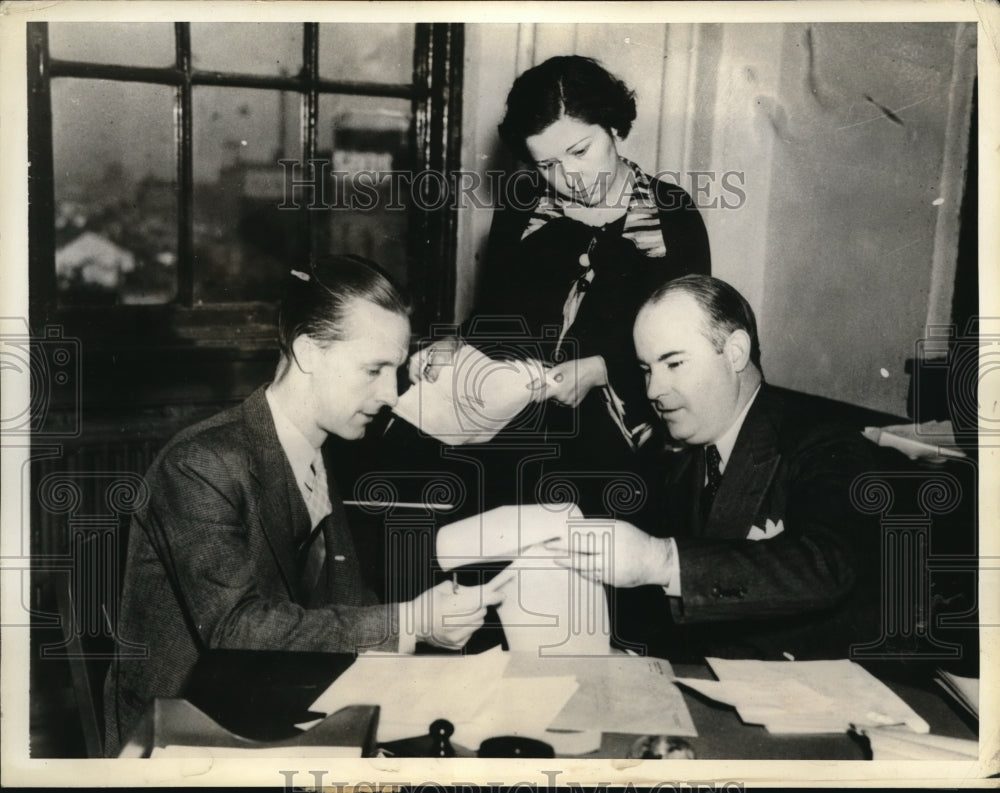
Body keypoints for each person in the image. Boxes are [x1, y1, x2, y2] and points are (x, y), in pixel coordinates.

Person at [103, 255, 509, 756]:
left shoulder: (315, 450)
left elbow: (346, 601)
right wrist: (409, 621)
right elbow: (236, 628)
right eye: (374, 369)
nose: (391, 393)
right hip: (184, 736)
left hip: (273, 709)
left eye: (397, 370)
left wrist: (431, 626)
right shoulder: (200, 464)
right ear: (308, 353)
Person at [409, 55, 711, 514]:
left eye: (580, 152)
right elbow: (494, 317)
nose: (568, 178)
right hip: (516, 435)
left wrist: (602, 369)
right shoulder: (522, 206)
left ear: (614, 128)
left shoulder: (672, 214)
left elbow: (693, 345)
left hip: (627, 447)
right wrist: (457, 346)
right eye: (547, 164)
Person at [548, 275, 880, 661]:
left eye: (673, 363)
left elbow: (827, 564)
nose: (654, 390)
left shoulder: (824, 440)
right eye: (646, 369)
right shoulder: (673, 454)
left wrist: (662, 560)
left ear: (736, 352)